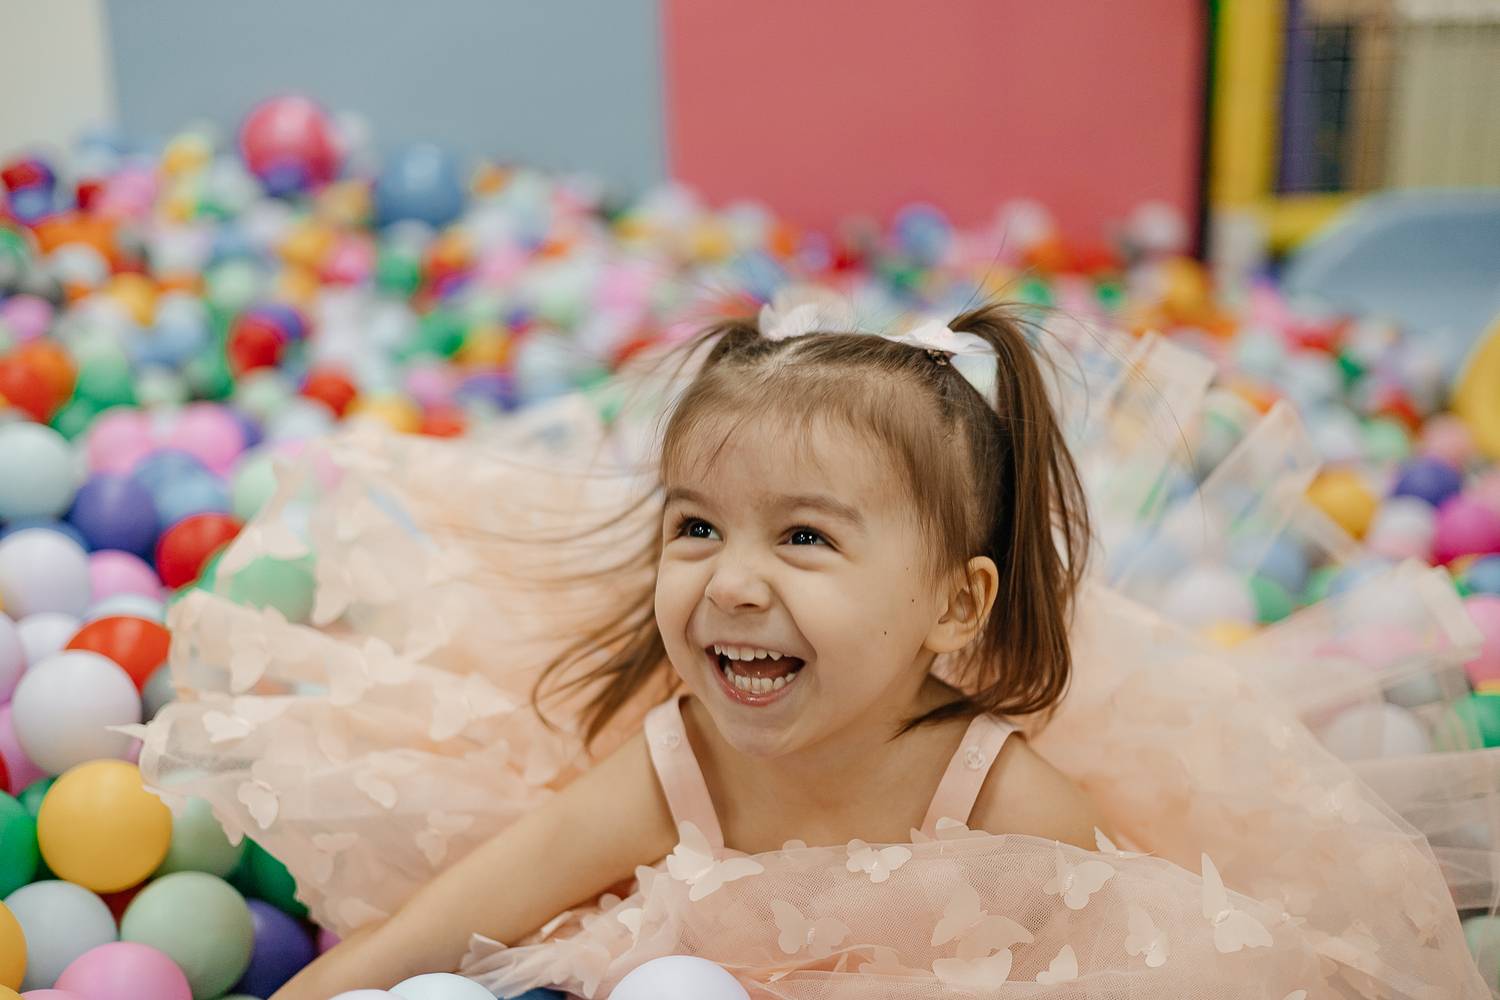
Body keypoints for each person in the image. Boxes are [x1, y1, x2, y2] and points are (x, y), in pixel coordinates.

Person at [137, 294, 1495, 998]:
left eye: (803, 539)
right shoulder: (679, 765)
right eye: (696, 528)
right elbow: (450, 921)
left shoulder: (1003, 801)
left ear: (955, 609)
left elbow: (1165, 964)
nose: (732, 583)